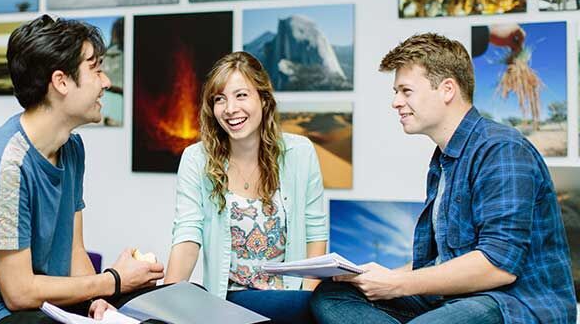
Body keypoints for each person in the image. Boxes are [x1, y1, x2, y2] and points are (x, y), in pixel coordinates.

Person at [310, 33, 576, 324]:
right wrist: (380, 276)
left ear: (447, 89)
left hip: (514, 303)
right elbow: (439, 261)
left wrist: (398, 284)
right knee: (332, 294)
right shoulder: (443, 160)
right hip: (456, 300)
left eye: (406, 91)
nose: (395, 102)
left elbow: (498, 266)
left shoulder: (503, 149)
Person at [0, 15, 164, 323]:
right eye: (95, 68)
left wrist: (97, 301)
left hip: (46, 307)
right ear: (61, 82)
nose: (106, 82)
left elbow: (74, 252)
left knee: (164, 301)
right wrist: (114, 280)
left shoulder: (72, 148)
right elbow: (19, 293)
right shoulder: (3, 166)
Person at [165, 51, 328, 323]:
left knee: (342, 298)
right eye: (220, 99)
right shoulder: (196, 159)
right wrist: (164, 304)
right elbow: (187, 234)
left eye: (241, 95)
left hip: (291, 299)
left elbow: (315, 232)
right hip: (230, 300)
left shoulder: (300, 152)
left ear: (263, 99)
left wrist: (307, 301)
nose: (230, 109)